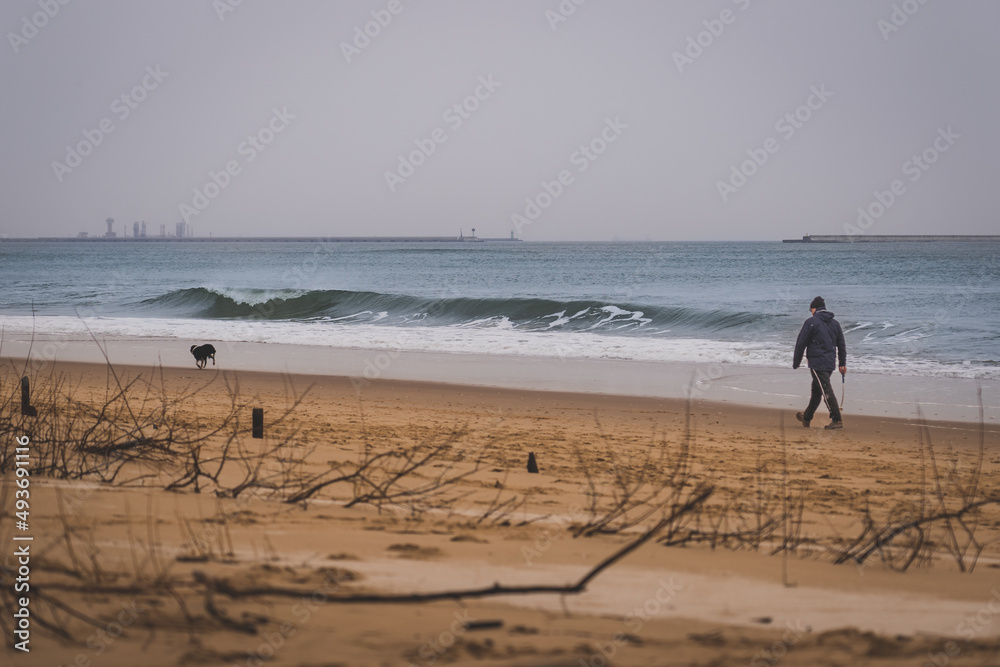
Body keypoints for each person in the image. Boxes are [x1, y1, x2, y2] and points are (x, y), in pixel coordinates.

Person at [792, 296, 846, 429]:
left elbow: (801, 343)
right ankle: (807, 417)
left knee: (825, 389)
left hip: (817, 362)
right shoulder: (835, 324)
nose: (811, 312)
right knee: (817, 391)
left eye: (811, 309)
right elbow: (841, 344)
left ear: (814, 309)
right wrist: (842, 363)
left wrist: (796, 362)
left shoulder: (811, 322)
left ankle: (837, 419)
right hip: (829, 362)